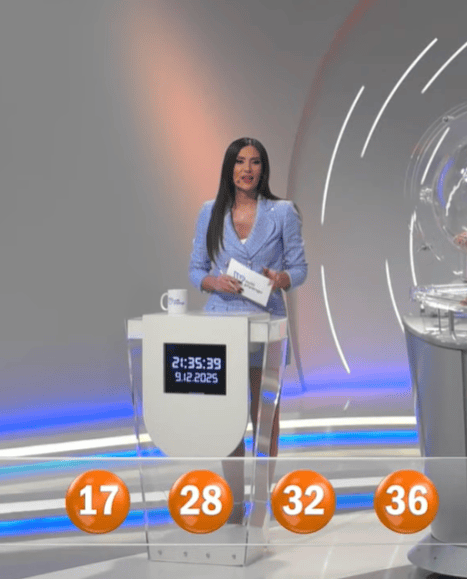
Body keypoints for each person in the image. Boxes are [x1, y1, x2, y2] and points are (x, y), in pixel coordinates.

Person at [188, 137, 307, 523]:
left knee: (264, 418)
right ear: (230, 167)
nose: (247, 169)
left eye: (255, 162)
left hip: (266, 324)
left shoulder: (283, 212)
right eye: (240, 162)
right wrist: (214, 282)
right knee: (227, 419)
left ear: (263, 169)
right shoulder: (209, 212)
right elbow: (196, 269)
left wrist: (280, 278)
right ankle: (235, 504)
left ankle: (262, 502)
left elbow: (299, 269)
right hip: (222, 325)